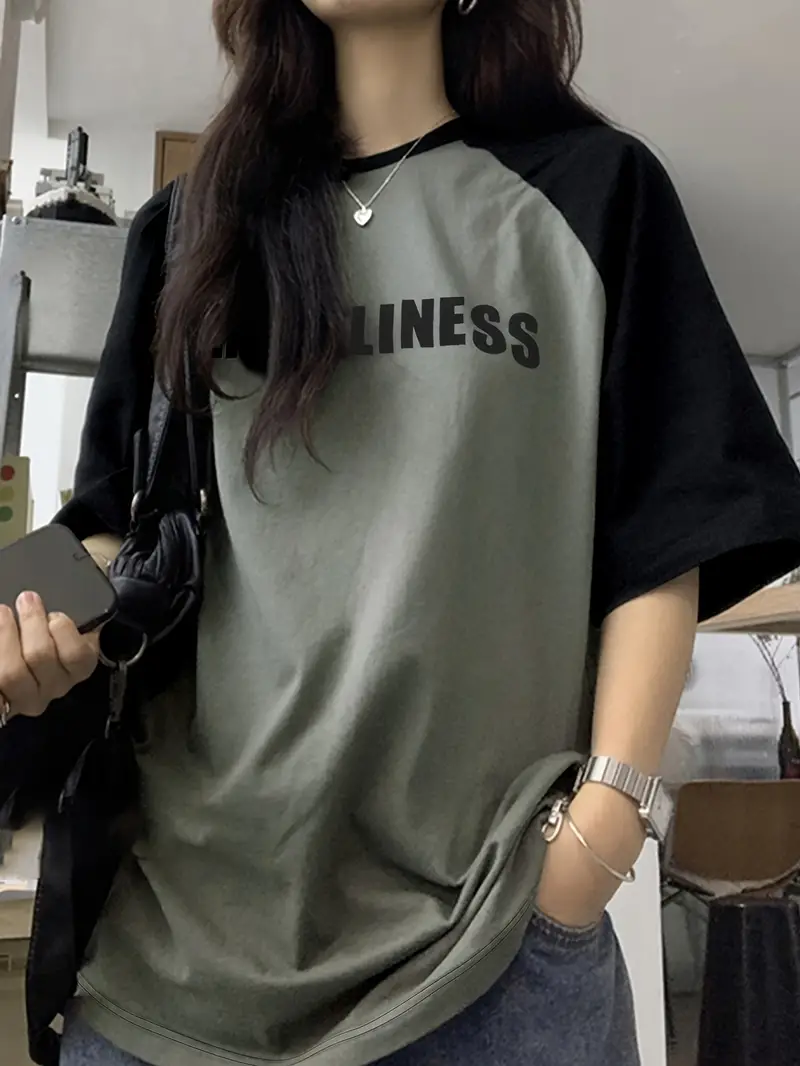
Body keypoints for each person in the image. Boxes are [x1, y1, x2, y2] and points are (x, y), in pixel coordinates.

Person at [2, 0, 800, 1063]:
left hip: (489, 955)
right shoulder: (191, 224)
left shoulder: (592, 194)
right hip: (178, 957)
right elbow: (117, 522)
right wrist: (28, 624)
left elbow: (664, 534)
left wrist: (601, 832)